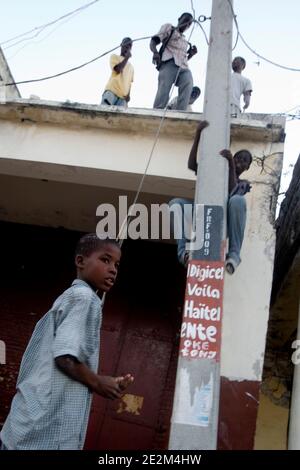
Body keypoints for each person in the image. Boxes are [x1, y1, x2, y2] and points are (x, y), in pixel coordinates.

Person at [0, 234, 134, 450]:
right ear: (80, 261)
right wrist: (100, 383)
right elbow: (65, 357)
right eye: (105, 260)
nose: (113, 269)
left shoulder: (70, 296)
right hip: (43, 432)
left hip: (27, 423)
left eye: (116, 264)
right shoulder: (85, 298)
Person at [169, 121, 253, 274]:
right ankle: (184, 254)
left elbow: (232, 190)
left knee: (238, 200)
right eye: (237, 158)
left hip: (224, 220)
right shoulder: (218, 172)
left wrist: (231, 165)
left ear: (247, 167)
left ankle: (234, 255)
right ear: (233, 158)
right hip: (204, 213)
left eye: (244, 161)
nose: (239, 162)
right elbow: (191, 165)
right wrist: (198, 135)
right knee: (176, 204)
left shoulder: (243, 184)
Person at [150, 12, 197, 111]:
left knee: (188, 82)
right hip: (169, 63)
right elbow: (154, 40)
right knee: (164, 89)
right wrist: (155, 52)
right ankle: (157, 111)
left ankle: (181, 112)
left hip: (183, 67)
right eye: (185, 21)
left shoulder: (184, 40)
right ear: (179, 19)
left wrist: (190, 55)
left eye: (189, 24)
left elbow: (182, 59)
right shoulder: (169, 28)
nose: (187, 25)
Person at [101, 37, 134, 107]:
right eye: (126, 43)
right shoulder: (114, 56)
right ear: (121, 45)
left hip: (123, 98)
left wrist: (128, 95)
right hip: (112, 91)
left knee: (119, 118)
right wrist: (127, 58)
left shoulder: (131, 67)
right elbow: (118, 69)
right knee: (103, 114)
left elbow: (129, 83)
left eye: (130, 45)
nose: (128, 46)